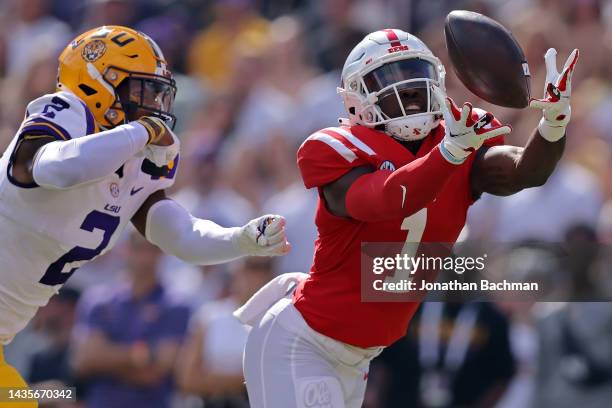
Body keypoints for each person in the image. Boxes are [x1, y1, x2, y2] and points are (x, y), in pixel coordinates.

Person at [239, 28, 579, 407]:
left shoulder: (457, 142)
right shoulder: (336, 148)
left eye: (415, 75)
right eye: (390, 79)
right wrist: (449, 153)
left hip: (358, 356)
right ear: (357, 98)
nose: (409, 90)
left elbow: (523, 172)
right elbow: (383, 199)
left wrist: (553, 126)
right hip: (303, 342)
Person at [0, 25, 290, 396]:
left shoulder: (136, 158)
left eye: (157, 91)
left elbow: (181, 236)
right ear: (97, 82)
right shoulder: (71, 112)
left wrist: (241, 240)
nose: (154, 102)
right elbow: (53, 168)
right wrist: (140, 133)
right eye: (142, 88)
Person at [72, 231, 189, 408]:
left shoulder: (176, 305)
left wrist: (105, 359)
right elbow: (84, 360)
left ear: (162, 253)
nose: (145, 257)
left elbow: (157, 371)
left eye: (153, 249)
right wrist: (145, 354)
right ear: (125, 250)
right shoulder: (98, 299)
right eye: (139, 248)